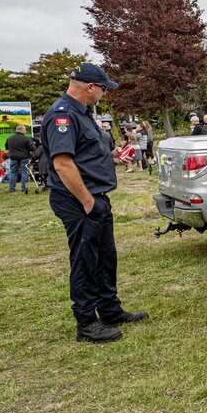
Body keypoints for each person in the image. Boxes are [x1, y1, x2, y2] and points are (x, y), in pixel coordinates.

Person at [43, 62, 148, 343]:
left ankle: (110, 310)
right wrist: (87, 201)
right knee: (85, 261)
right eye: (103, 88)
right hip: (79, 202)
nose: (104, 94)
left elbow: (87, 151)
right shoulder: (62, 116)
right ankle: (87, 322)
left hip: (96, 198)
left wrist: (114, 157)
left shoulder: (84, 113)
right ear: (90, 87)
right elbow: (63, 164)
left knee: (105, 258)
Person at [5, 125, 37, 194]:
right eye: (25, 129)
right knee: (24, 173)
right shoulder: (26, 138)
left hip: (13, 158)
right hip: (24, 157)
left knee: (13, 173)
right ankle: (23, 188)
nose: (26, 131)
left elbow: (7, 148)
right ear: (21, 130)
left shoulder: (9, 138)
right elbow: (33, 148)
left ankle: (12, 189)